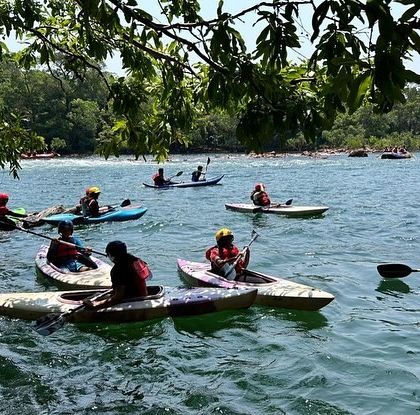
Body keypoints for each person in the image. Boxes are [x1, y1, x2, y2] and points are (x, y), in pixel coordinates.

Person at [83, 241, 152, 309]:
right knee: (97, 295)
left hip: (132, 299)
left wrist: (95, 305)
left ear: (111, 255)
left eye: (108, 254)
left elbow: (118, 298)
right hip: (142, 294)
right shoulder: (136, 260)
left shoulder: (118, 269)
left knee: (93, 298)